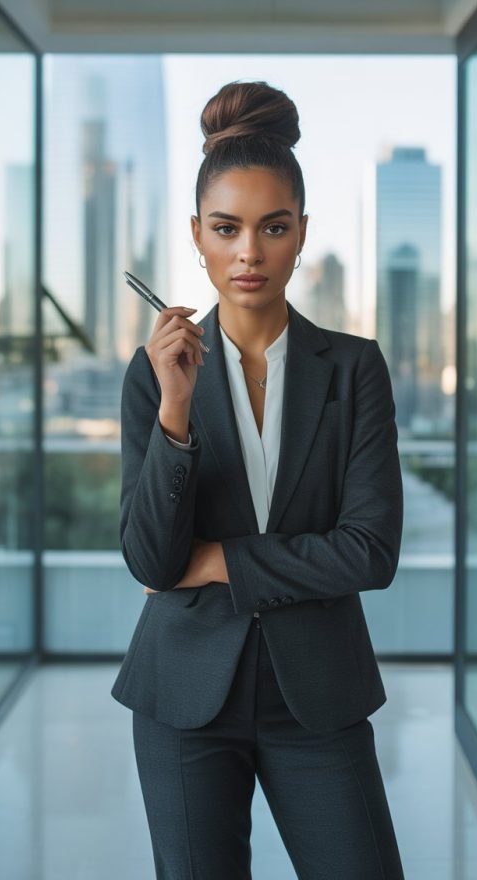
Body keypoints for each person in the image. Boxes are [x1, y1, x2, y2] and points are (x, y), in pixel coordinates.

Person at [111, 80, 405, 879]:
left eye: (273, 228)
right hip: (181, 698)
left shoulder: (354, 368)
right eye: (227, 229)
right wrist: (175, 413)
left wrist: (221, 563)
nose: (249, 253)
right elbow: (150, 561)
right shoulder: (153, 375)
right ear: (197, 238)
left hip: (319, 693)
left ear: (301, 234)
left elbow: (370, 551)